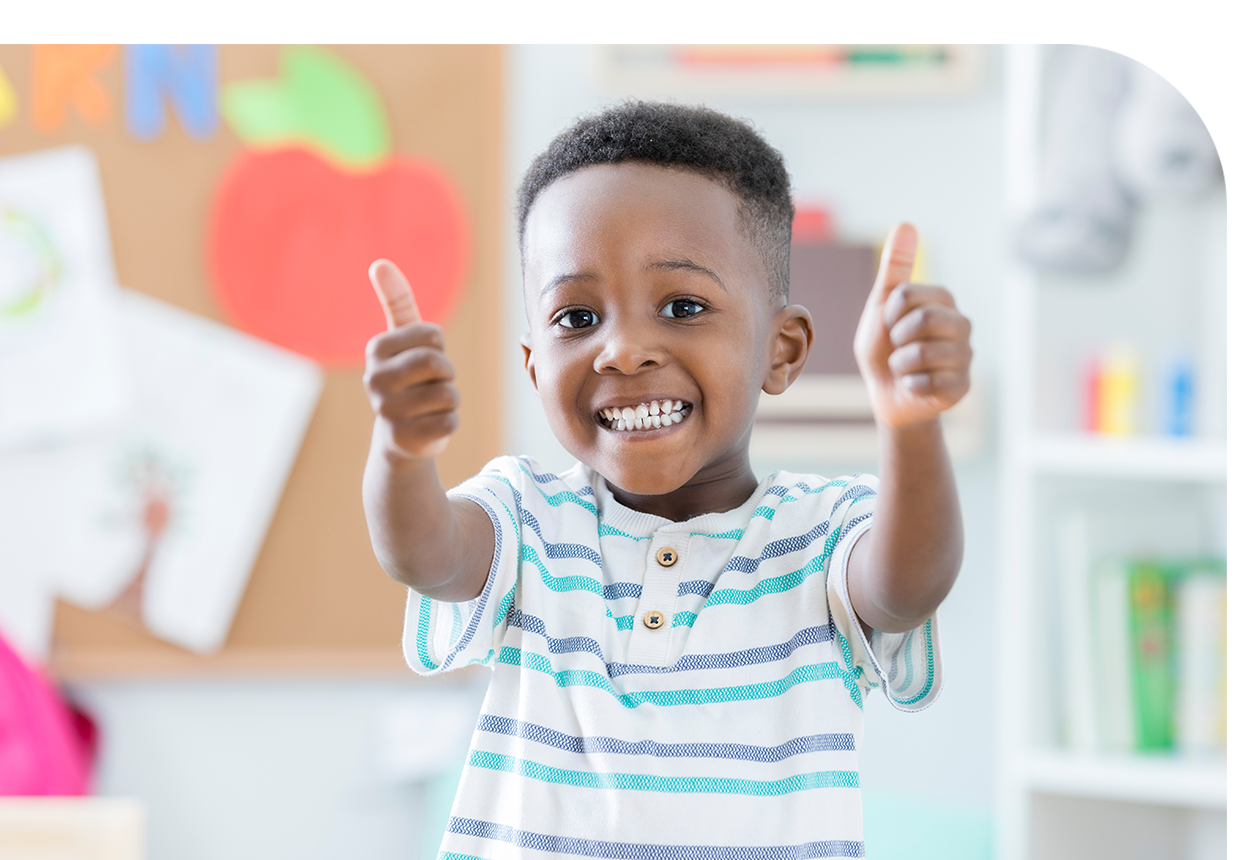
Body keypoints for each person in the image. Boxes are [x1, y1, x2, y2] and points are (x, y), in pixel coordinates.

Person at [362, 102, 971, 858]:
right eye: (577, 317)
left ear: (781, 351)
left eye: (683, 306)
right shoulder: (527, 519)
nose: (622, 350)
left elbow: (909, 583)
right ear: (532, 367)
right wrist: (399, 451)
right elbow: (427, 554)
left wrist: (911, 428)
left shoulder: (823, 535)